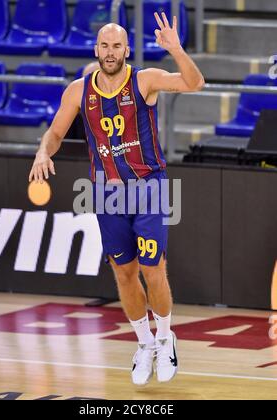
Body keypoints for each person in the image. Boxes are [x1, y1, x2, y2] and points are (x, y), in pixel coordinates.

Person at [29, 12, 205, 386]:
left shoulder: (145, 81)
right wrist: (43, 151)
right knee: (124, 273)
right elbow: (55, 132)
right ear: (97, 50)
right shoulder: (78, 90)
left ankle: (164, 337)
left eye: (117, 46)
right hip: (107, 192)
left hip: (148, 186)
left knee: (152, 267)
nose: (111, 52)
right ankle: (143, 344)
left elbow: (195, 83)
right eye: (105, 46)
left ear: (127, 49)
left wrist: (175, 49)